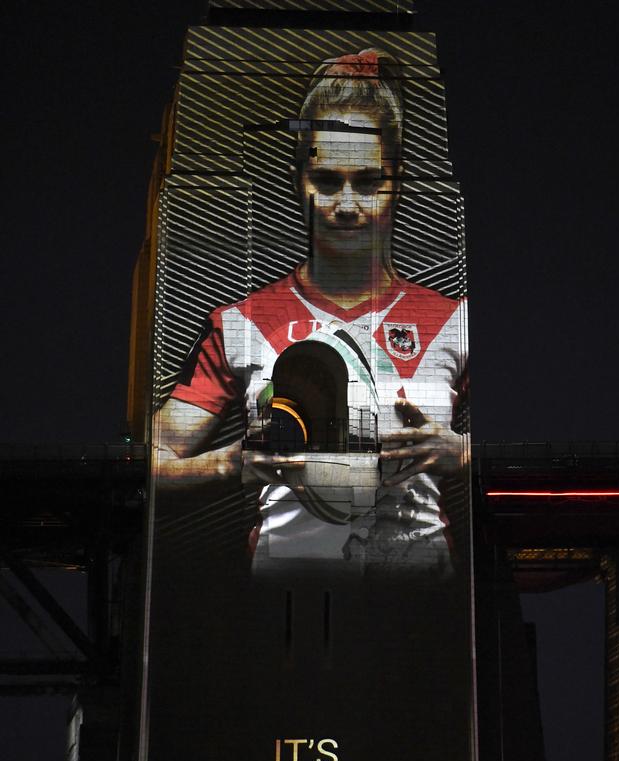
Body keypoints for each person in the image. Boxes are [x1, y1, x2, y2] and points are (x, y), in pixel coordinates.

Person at [155, 48, 467, 578]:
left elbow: (529, 451)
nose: (346, 204)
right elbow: (152, 458)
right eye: (327, 180)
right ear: (300, 178)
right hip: (283, 610)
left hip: (419, 612)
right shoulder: (244, 324)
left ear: (398, 177)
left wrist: (462, 452)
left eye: (368, 182)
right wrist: (228, 462)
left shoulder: (454, 321)